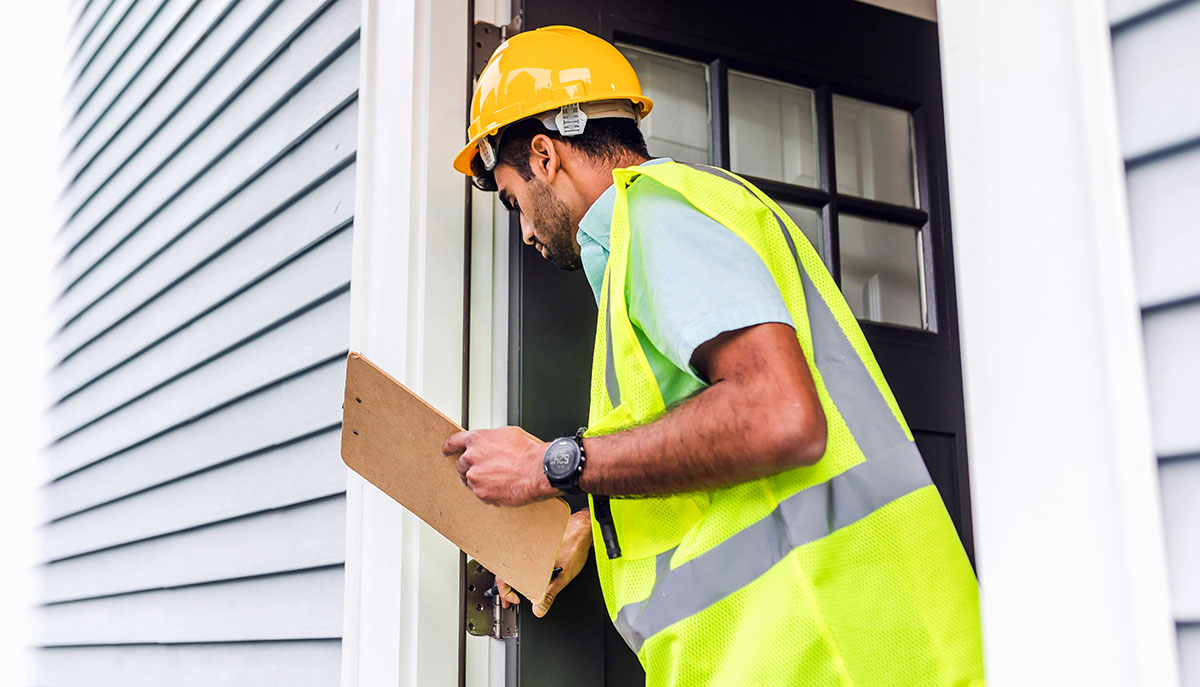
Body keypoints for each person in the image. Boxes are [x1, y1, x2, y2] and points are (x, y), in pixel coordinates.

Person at [442, 25, 984, 687]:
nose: (524, 228)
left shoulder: (658, 219)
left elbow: (780, 415)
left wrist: (553, 465)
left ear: (546, 155)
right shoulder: (679, 222)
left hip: (833, 654)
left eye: (512, 199)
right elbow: (711, 439)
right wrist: (592, 517)